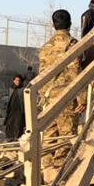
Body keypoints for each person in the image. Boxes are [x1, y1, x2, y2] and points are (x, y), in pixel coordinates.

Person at [38, 9, 83, 167]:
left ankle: (46, 171)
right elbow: (75, 73)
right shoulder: (72, 45)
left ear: (53, 24)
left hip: (48, 97)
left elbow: (41, 75)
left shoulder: (45, 47)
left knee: (50, 135)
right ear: (70, 24)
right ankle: (60, 173)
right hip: (66, 97)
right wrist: (81, 98)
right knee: (66, 137)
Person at [4, 74, 25, 141]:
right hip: (11, 108)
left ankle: (17, 137)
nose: (18, 82)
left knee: (18, 123)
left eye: (19, 80)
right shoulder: (11, 88)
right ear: (14, 81)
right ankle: (9, 137)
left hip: (19, 109)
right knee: (9, 123)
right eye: (16, 80)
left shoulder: (22, 89)